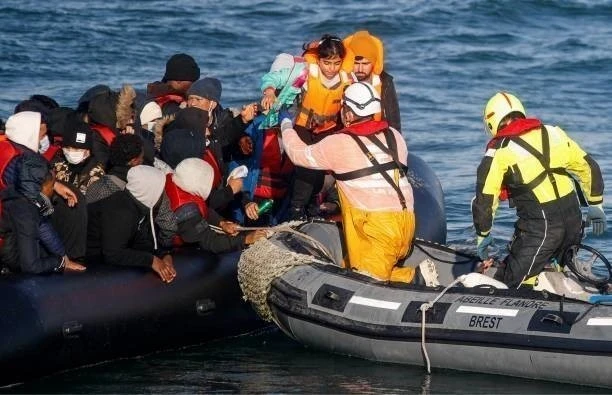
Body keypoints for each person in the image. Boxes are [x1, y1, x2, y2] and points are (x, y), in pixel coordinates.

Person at [280, 82, 416, 283]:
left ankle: (418, 277)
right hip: (407, 223)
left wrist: (285, 123)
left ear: (349, 114)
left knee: (368, 282)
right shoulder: (395, 137)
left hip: (376, 229)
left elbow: (297, 154)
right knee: (362, 269)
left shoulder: (339, 143)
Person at [473, 92, 606, 288]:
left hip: (541, 229)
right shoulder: (554, 132)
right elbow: (589, 167)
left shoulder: (499, 151)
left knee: (511, 283)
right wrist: (596, 205)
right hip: (574, 222)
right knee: (559, 268)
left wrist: (483, 235)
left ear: (492, 123)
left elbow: (485, 199)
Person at [286, 34, 355, 219]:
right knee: (306, 167)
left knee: (320, 171)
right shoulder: (307, 73)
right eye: (326, 63)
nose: (331, 68)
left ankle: (313, 206)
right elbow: (288, 89)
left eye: (336, 63)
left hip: (328, 128)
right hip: (304, 126)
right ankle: (297, 210)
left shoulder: (347, 78)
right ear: (319, 59)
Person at [86, 165, 176, 283]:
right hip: (89, 264)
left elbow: (141, 242)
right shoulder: (121, 211)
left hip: (100, 260)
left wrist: (164, 255)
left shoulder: (137, 205)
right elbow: (113, 254)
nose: (162, 195)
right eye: (160, 190)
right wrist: (152, 261)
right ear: (149, 190)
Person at [0, 154, 85, 274]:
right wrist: (58, 262)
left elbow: (43, 228)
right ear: (43, 186)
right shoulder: (25, 212)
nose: (53, 191)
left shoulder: (17, 194)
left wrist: (63, 258)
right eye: (52, 185)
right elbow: (31, 266)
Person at [165, 158, 267, 252]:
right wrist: (246, 239)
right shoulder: (186, 211)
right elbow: (211, 242)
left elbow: (201, 206)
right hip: (178, 250)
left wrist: (222, 223)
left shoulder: (176, 181)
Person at [343, 30, 401, 131]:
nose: (360, 69)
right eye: (356, 63)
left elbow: (394, 121)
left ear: (373, 63)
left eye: (365, 64)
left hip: (378, 134)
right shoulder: (341, 80)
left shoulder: (385, 83)